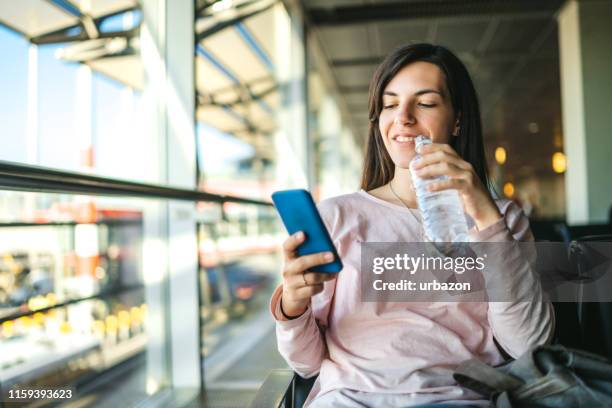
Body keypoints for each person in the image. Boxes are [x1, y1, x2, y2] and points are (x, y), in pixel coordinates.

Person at [270, 43, 554, 407]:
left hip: (458, 399)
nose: (402, 117)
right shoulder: (336, 217)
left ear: (457, 119)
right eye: (390, 103)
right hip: (349, 399)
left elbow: (530, 344)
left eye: (425, 103)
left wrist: (485, 216)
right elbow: (306, 364)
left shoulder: (502, 219)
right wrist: (293, 306)